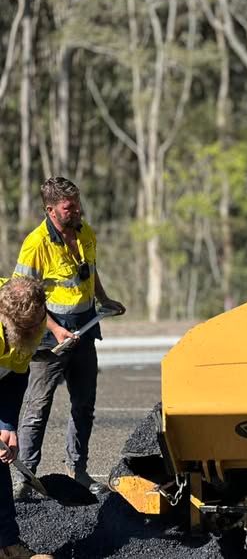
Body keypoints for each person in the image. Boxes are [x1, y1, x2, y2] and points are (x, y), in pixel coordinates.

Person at [12, 177, 125, 500]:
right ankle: (26, 478)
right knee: (37, 408)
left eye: (77, 204)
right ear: (50, 209)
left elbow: (90, 270)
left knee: (84, 405)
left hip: (85, 329)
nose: (76, 210)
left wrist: (103, 299)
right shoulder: (35, 244)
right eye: (68, 207)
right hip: (49, 340)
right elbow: (22, 297)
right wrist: (54, 328)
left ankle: (79, 469)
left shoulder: (84, 231)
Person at [0, 276, 54, 559]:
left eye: (37, 326)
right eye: (27, 329)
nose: (35, 332)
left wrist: (8, 425)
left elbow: (16, 374)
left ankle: (7, 546)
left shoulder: (33, 317)